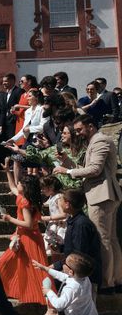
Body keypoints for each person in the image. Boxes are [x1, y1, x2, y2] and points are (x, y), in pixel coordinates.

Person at [54, 114, 122, 294]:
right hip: (103, 194)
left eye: (79, 130)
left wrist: (67, 170)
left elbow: (95, 169)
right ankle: (115, 279)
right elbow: (85, 166)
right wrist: (66, 163)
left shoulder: (100, 140)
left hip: (101, 195)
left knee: (104, 240)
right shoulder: (96, 141)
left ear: (90, 126)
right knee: (111, 239)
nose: (78, 134)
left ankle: (108, 283)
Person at [0, 168, 58, 315]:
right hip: (24, 238)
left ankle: (52, 309)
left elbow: (29, 223)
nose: (17, 184)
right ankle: (17, 291)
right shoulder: (23, 197)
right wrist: (7, 172)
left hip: (30, 239)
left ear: (24, 187)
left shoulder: (25, 202)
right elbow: (12, 187)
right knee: (4, 262)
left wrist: (9, 219)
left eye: (19, 183)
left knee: (40, 272)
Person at [40, 176, 66, 258]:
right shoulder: (51, 196)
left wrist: (48, 218)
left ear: (51, 187)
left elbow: (64, 214)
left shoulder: (59, 197)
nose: (42, 190)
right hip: (53, 226)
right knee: (53, 250)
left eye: (43, 188)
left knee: (58, 251)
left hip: (60, 226)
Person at [1, 73, 24, 140]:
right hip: (6, 122)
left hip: (15, 121)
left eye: (5, 81)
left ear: (12, 81)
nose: (3, 83)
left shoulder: (18, 91)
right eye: (3, 81)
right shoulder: (6, 94)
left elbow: (20, 106)